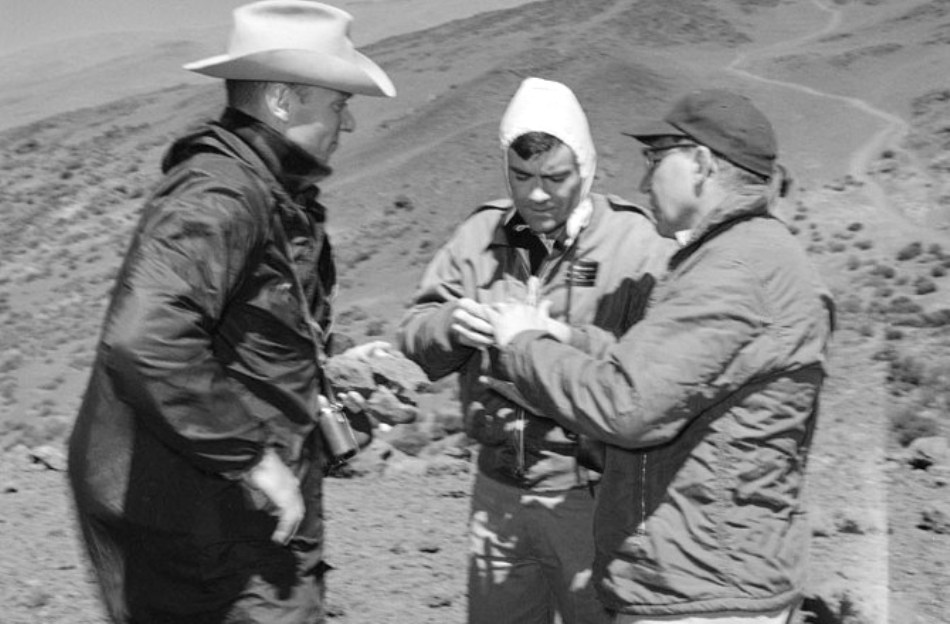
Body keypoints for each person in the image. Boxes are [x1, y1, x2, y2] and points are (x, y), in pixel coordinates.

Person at [66, 2, 395, 622]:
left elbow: (251, 332)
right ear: (281, 100)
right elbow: (145, 338)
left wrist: (334, 369)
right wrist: (251, 455)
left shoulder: (263, 191)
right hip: (215, 534)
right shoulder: (222, 194)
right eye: (338, 104)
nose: (347, 123)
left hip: (227, 519)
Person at [482, 89, 835, 624]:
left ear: (702, 164)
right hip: (709, 574)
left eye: (655, 160)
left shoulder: (734, 270)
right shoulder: (738, 256)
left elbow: (628, 405)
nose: (644, 181)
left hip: (705, 590)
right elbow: (669, 374)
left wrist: (520, 345)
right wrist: (562, 337)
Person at [398, 77, 673, 624]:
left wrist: (560, 344)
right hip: (497, 490)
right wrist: (451, 326)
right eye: (521, 177)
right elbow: (413, 333)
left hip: (591, 494)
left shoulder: (634, 243)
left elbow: (657, 370)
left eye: (555, 178)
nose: (536, 195)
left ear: (586, 168)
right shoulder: (482, 234)